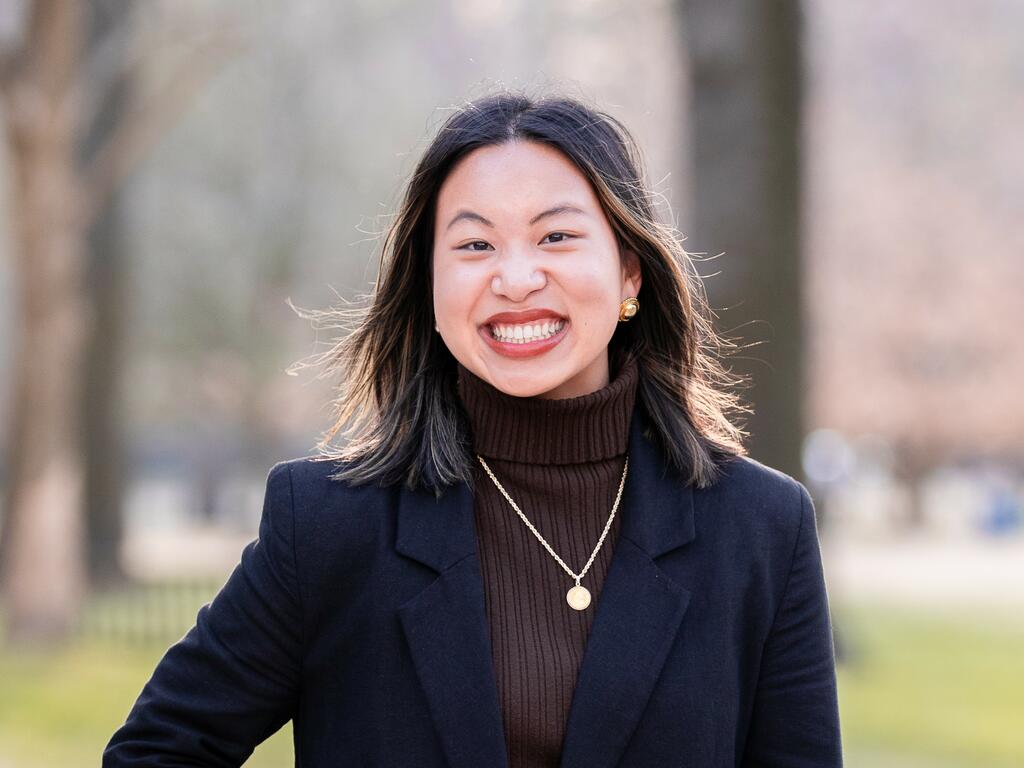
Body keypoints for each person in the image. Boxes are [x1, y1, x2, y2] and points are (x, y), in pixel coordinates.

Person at [103, 90, 843, 767]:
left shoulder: (761, 529)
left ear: (630, 273)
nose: (515, 278)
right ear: (430, 284)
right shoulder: (327, 526)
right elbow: (159, 752)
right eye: (474, 245)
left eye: (555, 238)